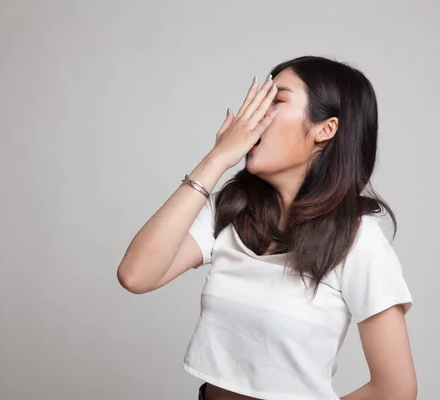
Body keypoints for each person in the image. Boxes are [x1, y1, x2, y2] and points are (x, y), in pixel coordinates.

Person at [117, 55, 417, 400]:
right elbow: (136, 275)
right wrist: (216, 159)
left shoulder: (356, 239)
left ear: (325, 129)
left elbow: (396, 390)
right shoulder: (231, 209)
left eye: (276, 101)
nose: (255, 117)